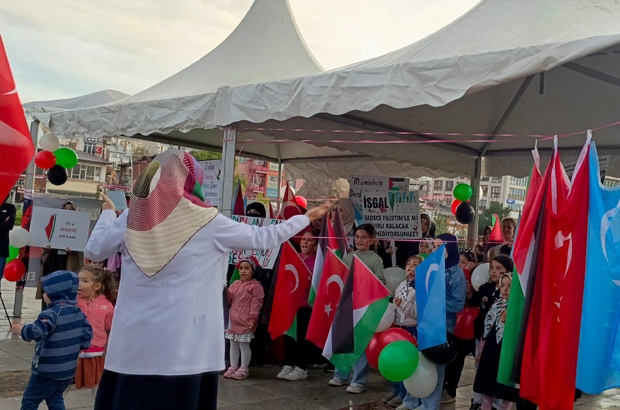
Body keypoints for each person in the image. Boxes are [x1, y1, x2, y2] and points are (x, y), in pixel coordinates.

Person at [83, 151, 329, 410]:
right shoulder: (208, 221)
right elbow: (264, 238)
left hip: (133, 344)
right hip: (186, 344)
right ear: (193, 180)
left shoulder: (131, 217)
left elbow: (94, 251)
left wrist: (109, 214)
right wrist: (305, 217)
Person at [398, 233, 467, 410]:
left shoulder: (456, 274)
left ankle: (430, 406)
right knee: (421, 360)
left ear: (450, 248)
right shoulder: (432, 267)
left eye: (440, 247)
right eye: (434, 246)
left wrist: (436, 303)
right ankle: (412, 400)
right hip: (426, 323)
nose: (435, 250)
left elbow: (458, 304)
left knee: (437, 366)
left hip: (443, 327)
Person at [11, 270, 93, 410]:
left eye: (46, 291)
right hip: (67, 370)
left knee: (30, 399)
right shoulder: (79, 313)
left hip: (47, 369)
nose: (44, 294)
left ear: (56, 293)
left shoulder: (52, 313)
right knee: (55, 398)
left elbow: (36, 331)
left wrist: (19, 329)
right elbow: (86, 336)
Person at [330, 223, 386, 394]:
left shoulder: (375, 259)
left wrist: (366, 284)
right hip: (347, 305)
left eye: (363, 237)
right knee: (343, 340)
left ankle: (359, 380)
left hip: (363, 307)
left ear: (371, 240)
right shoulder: (349, 257)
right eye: (357, 236)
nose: (359, 240)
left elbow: (381, 282)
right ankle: (340, 374)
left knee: (360, 343)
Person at [467, 255, 514, 410]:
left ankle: (499, 406)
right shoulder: (488, 294)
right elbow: (486, 325)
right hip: (488, 346)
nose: (494, 271)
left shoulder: (516, 308)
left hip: (505, 350)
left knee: (502, 383)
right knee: (485, 378)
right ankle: (478, 403)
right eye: (492, 268)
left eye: (499, 268)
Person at [278, 230, 319, 381]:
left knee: (301, 337)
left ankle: (301, 367)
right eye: (303, 239)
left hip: (305, 305)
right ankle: (289, 363)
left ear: (315, 245)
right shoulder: (296, 258)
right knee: (289, 335)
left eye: (309, 241)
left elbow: (313, 283)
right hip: (291, 304)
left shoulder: (316, 262)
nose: (305, 243)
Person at [442, 249, 479, 404]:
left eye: (463, 263)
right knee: (451, 360)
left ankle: (451, 391)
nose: (460, 265)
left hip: (469, 327)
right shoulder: (451, 274)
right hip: (455, 324)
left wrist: (467, 273)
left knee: (459, 361)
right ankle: (445, 387)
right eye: (459, 262)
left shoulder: (472, 278)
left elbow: (469, 297)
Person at [384, 255, 421, 407]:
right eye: (409, 265)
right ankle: (396, 389)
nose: (411, 268)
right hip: (398, 327)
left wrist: (403, 305)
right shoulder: (401, 285)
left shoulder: (419, 287)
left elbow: (418, 312)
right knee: (396, 359)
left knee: (406, 362)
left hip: (411, 328)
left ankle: (404, 393)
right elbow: (395, 305)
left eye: (416, 265)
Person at [74, 265, 116, 399]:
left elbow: (111, 326)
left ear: (97, 286)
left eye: (85, 281)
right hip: (73, 352)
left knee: (97, 386)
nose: (79, 284)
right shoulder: (71, 301)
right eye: (78, 279)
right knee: (65, 385)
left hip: (95, 353)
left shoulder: (107, 305)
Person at [224, 257, 265, 380]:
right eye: (241, 268)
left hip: (245, 319)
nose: (243, 271)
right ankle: (233, 366)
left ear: (253, 270)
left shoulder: (256, 286)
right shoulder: (235, 284)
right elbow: (230, 299)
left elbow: (256, 304)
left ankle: (244, 368)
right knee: (233, 344)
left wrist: (253, 319)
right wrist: (225, 291)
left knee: (244, 345)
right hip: (233, 318)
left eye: (247, 268)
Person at [39, 201, 84, 310]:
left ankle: (62, 311)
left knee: (65, 286)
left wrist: (72, 249)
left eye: (70, 209)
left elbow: (80, 244)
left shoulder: (78, 224)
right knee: (50, 285)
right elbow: (45, 238)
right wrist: (47, 247)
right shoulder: (55, 220)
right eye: (65, 209)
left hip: (68, 261)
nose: (67, 211)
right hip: (53, 260)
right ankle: (46, 310)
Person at [0, 195, 16, 282]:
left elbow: (9, 225)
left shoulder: (10, 207)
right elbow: (4, 225)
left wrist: (4, 224)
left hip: (1, 248)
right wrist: (2, 222)